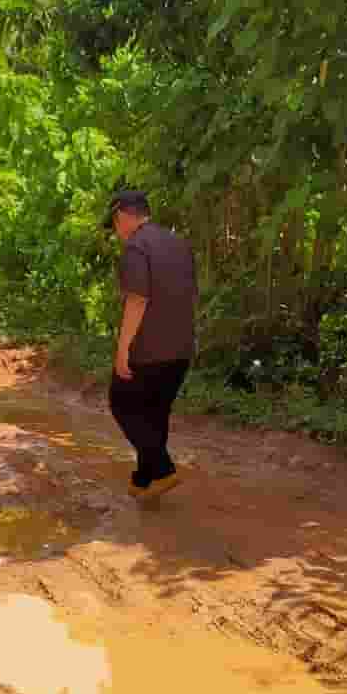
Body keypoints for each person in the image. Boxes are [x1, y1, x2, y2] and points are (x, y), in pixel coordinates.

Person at [104, 190, 198, 501]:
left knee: (121, 403)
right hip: (182, 351)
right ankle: (143, 480)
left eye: (115, 224)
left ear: (123, 217)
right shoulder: (179, 243)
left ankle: (163, 469)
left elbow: (137, 300)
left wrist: (122, 350)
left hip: (147, 353)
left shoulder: (136, 247)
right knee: (155, 414)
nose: (117, 232)